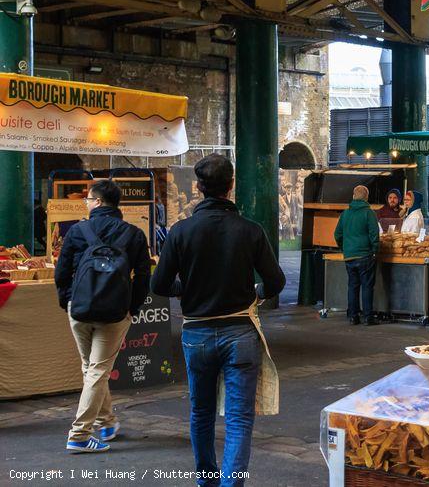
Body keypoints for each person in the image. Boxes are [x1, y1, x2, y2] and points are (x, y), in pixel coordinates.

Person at [152, 155, 286, 487]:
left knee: (201, 413)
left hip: (196, 333)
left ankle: (207, 481)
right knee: (240, 419)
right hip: (240, 333)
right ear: (231, 185)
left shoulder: (180, 231)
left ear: (198, 188)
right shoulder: (250, 230)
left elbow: (157, 285)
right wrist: (258, 292)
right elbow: (276, 281)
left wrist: (185, 287)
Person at [55, 180, 151, 454]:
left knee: (92, 369)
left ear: (97, 202)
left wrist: (68, 301)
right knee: (97, 370)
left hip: (80, 309)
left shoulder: (77, 231)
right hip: (114, 312)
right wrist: (132, 308)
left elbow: (61, 271)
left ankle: (105, 422)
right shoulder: (133, 234)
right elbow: (144, 276)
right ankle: (81, 434)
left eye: (88, 199)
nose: (86, 203)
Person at [332, 185, 381, 325]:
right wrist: (375, 250)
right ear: (366, 197)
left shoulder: (345, 214)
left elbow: (337, 234)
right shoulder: (368, 213)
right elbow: (374, 234)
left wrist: (344, 248)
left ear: (353, 196)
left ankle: (353, 316)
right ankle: (368, 317)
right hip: (365, 255)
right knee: (367, 286)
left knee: (353, 286)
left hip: (349, 256)